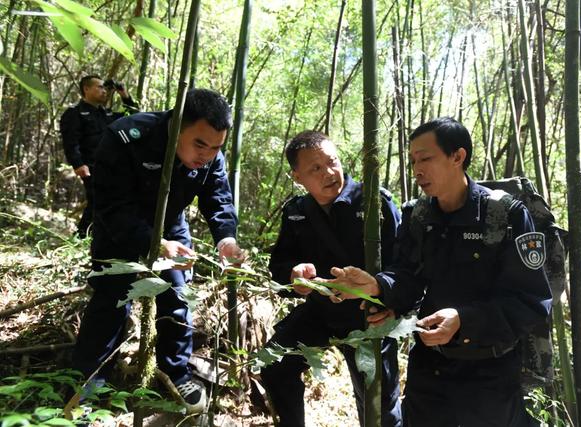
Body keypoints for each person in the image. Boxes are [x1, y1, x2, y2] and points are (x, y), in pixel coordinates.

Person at [328, 117, 552, 426]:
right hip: (430, 369)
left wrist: (464, 321)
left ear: (457, 157)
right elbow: (407, 275)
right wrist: (378, 286)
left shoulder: (505, 215)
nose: (417, 169)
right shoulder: (418, 215)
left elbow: (530, 302)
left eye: (426, 158)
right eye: (413, 160)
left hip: (490, 373)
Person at [71, 89, 244, 414]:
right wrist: (153, 244)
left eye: (216, 147)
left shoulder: (212, 156)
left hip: (171, 226)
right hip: (120, 228)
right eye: (199, 144)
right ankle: (89, 385)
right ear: (177, 125)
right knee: (111, 300)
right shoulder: (126, 136)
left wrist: (226, 241)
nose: (206, 154)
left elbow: (218, 200)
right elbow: (110, 207)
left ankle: (175, 370)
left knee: (177, 298)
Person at [260, 130, 403, 427]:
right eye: (315, 168)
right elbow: (279, 266)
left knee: (377, 405)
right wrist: (293, 276)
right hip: (320, 311)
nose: (329, 173)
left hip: (369, 315)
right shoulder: (297, 212)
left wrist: (391, 301)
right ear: (297, 177)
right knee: (274, 364)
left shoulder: (374, 202)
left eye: (333, 162)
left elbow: (405, 265)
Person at [60, 75, 138, 237]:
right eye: (99, 87)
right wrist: (78, 164)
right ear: (86, 89)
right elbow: (70, 141)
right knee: (97, 199)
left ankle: (96, 236)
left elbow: (134, 115)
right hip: (90, 165)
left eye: (105, 88)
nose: (104, 91)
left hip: (111, 166)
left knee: (110, 201)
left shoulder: (106, 114)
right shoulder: (75, 113)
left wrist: (123, 93)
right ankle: (81, 236)